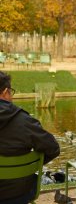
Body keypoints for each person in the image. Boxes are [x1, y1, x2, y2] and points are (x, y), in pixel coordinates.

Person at [0, 71, 60, 204]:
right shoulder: (24, 121)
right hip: (18, 193)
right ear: (5, 92)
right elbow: (53, 148)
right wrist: (30, 165)